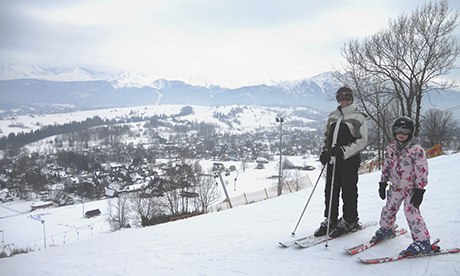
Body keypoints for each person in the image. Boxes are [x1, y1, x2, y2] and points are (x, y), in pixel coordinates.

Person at [371, 116, 432, 256]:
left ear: (411, 132)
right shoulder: (391, 148)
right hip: (395, 186)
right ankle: (387, 228)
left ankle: (422, 241)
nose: (401, 134)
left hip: (412, 188)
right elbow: (386, 166)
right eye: (398, 130)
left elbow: (421, 170)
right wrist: (382, 182)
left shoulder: (416, 149)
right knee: (389, 209)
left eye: (405, 131)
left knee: (411, 212)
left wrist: (420, 189)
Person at [314, 86, 368, 238]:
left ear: (351, 99)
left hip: (349, 161)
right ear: (338, 99)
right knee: (330, 191)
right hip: (333, 160)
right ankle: (330, 219)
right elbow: (327, 137)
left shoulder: (358, 117)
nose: (345, 101)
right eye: (341, 98)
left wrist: (344, 151)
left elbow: (362, 141)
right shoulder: (333, 116)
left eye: (348, 98)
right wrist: (325, 152)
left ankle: (350, 220)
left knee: (348, 191)